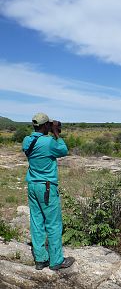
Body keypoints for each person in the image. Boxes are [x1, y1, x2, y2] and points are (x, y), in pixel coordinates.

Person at [22, 113, 75, 271]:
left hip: (32, 185)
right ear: (45, 126)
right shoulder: (49, 141)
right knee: (53, 223)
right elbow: (64, 150)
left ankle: (41, 259)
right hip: (47, 187)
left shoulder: (27, 140)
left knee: (37, 221)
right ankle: (56, 261)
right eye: (48, 125)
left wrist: (49, 130)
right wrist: (57, 133)